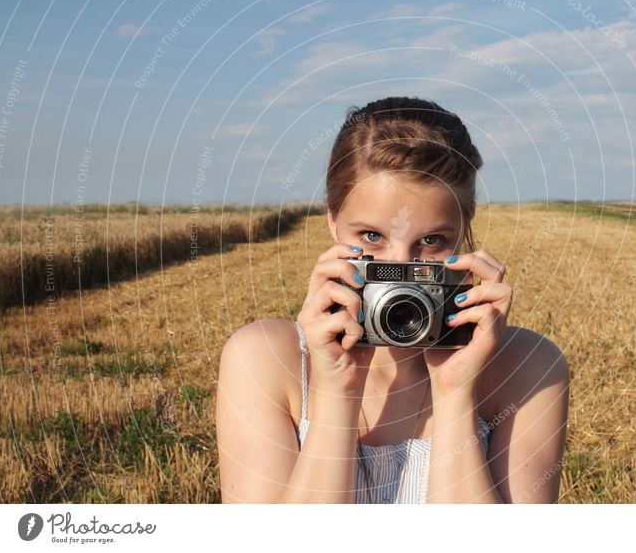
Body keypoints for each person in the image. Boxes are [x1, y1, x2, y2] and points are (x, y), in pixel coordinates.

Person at [215, 96, 569, 503]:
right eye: (371, 237)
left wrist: (455, 394)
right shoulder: (263, 360)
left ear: (463, 235)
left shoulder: (529, 369)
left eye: (431, 241)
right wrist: (338, 392)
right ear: (333, 220)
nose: (400, 267)